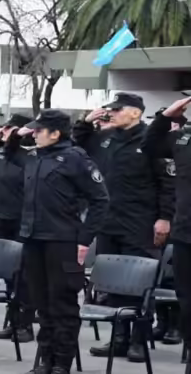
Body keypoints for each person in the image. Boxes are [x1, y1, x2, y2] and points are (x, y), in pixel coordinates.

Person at [74, 93, 172, 362]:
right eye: (111, 110)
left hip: (140, 222)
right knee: (113, 286)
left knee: (140, 285)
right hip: (110, 221)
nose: (112, 113)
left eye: (118, 110)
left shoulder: (152, 140)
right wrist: (85, 122)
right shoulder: (106, 138)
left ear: (135, 113)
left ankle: (139, 340)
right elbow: (77, 147)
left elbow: (166, 183)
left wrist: (164, 217)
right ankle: (119, 338)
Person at [20, 110, 109, 374]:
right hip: (34, 239)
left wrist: (84, 239)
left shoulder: (75, 158)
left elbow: (100, 200)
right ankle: (45, 359)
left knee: (63, 305)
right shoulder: (35, 157)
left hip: (63, 241)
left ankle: (61, 363)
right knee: (42, 304)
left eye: (39, 130)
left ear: (55, 133)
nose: (34, 134)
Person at [143, 95, 191, 367]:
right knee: (187, 302)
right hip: (185, 234)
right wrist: (166, 116)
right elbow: (149, 145)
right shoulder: (184, 141)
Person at [0, 114, 36, 343]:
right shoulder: (0, 154)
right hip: (1, 219)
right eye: (3, 128)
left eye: (9, 129)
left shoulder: (28, 156)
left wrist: (14, 136)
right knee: (8, 275)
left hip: (21, 221)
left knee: (24, 276)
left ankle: (25, 325)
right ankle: (12, 322)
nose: (5, 132)